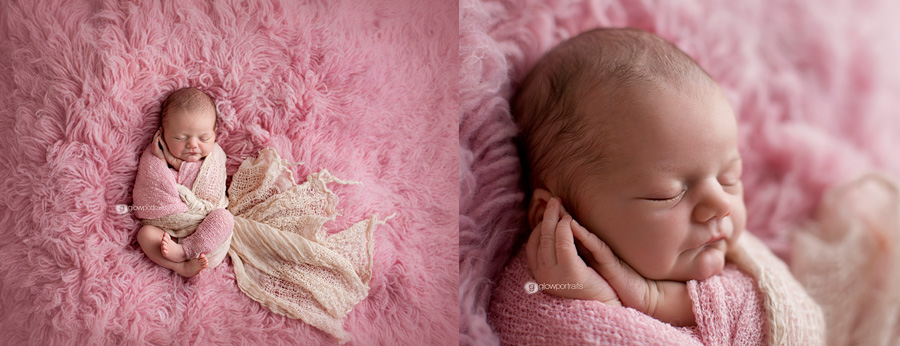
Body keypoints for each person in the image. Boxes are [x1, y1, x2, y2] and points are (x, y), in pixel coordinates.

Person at [489, 28, 823, 344]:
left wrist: (657, 300)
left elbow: (792, 318)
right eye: (668, 194)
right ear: (556, 217)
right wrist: (602, 304)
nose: (720, 204)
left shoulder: (733, 258)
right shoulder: (543, 289)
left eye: (729, 178)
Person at [133, 87, 234, 278]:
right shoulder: (155, 159)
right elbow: (154, 187)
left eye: (204, 138)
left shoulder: (215, 156)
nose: (193, 145)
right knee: (144, 234)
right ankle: (181, 267)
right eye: (180, 138)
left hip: (207, 237)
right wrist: (163, 161)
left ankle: (185, 251)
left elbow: (211, 186)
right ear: (162, 134)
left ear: (215, 133)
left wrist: (174, 162)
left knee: (225, 218)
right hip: (169, 232)